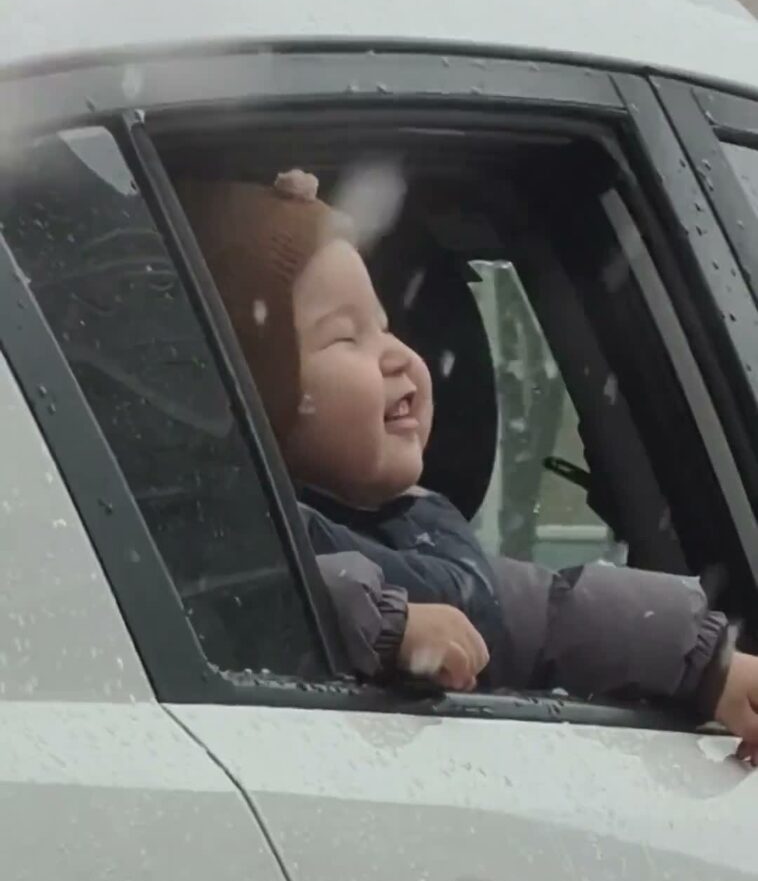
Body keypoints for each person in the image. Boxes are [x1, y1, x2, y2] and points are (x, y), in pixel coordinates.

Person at [178, 169, 758, 763]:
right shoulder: (249, 543)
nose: (397, 354)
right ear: (257, 397)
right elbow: (255, 595)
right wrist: (387, 627)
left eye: (383, 326)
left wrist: (705, 664)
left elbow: (550, 614)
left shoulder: (419, 530)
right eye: (345, 338)